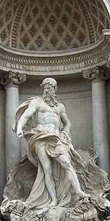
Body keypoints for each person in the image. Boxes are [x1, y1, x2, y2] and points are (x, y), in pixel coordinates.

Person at [13, 78, 89, 208]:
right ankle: (53, 200)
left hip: (56, 138)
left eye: (51, 87)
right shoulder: (37, 102)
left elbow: (67, 123)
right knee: (46, 169)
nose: (48, 90)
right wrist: (19, 128)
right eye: (46, 88)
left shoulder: (60, 107)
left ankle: (78, 191)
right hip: (41, 137)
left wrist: (65, 132)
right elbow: (25, 116)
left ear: (55, 89)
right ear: (42, 89)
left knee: (67, 163)